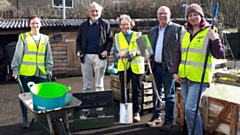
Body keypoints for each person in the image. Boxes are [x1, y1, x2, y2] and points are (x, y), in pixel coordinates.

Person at [170, 3, 224, 135]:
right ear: (187, 18)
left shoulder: (210, 31)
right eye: (190, 15)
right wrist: (174, 72)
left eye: (196, 14)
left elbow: (219, 54)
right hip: (184, 77)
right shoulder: (184, 32)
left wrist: (215, 40)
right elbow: (178, 53)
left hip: (200, 77)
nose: (193, 17)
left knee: (190, 108)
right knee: (189, 109)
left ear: (201, 16)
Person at [11, 16, 53, 128]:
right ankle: (25, 117)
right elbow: (18, 54)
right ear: (29, 25)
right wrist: (15, 69)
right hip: (26, 72)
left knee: (44, 95)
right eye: (33, 23)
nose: (35, 26)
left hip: (41, 72)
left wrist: (49, 69)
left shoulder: (45, 38)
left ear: (40, 25)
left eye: (37, 23)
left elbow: (48, 56)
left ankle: (45, 117)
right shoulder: (24, 37)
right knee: (25, 97)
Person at [146, 6, 183, 130]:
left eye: (165, 13)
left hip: (169, 68)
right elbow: (150, 47)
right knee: (156, 93)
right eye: (160, 14)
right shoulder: (153, 31)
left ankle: (169, 120)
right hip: (155, 66)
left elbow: (182, 49)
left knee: (169, 95)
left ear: (170, 14)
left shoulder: (178, 29)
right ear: (157, 15)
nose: (162, 16)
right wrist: (148, 55)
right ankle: (156, 116)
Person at [76, 2, 113, 119]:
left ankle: (100, 109)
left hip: (100, 57)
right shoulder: (83, 25)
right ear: (89, 12)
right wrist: (78, 51)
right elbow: (78, 40)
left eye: (97, 11)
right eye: (92, 11)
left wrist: (107, 51)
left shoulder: (105, 25)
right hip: (86, 56)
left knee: (99, 84)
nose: (94, 13)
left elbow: (110, 40)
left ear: (100, 12)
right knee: (86, 85)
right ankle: (85, 109)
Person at [114, 14, 144, 122]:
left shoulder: (138, 35)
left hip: (137, 66)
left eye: (127, 24)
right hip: (124, 66)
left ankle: (136, 112)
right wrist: (119, 55)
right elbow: (115, 53)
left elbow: (146, 51)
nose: (125, 26)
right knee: (124, 89)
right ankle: (124, 109)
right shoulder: (117, 37)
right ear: (120, 25)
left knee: (137, 90)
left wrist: (135, 52)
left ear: (131, 24)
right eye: (122, 24)